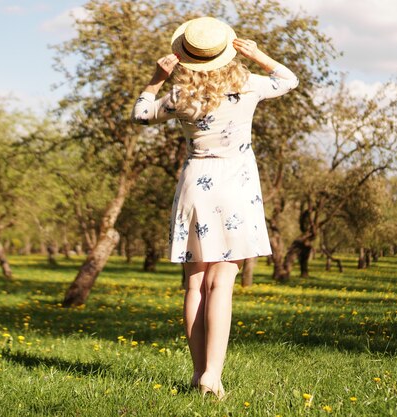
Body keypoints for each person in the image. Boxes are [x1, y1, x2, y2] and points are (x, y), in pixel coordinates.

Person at [131, 16, 299, 399]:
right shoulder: (248, 85)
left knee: (194, 284)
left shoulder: (181, 98)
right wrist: (258, 55)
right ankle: (212, 375)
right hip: (235, 187)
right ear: (226, 53)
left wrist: (157, 78)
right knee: (221, 282)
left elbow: (140, 113)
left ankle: (197, 373)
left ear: (185, 58)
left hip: (196, 185)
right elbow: (290, 80)